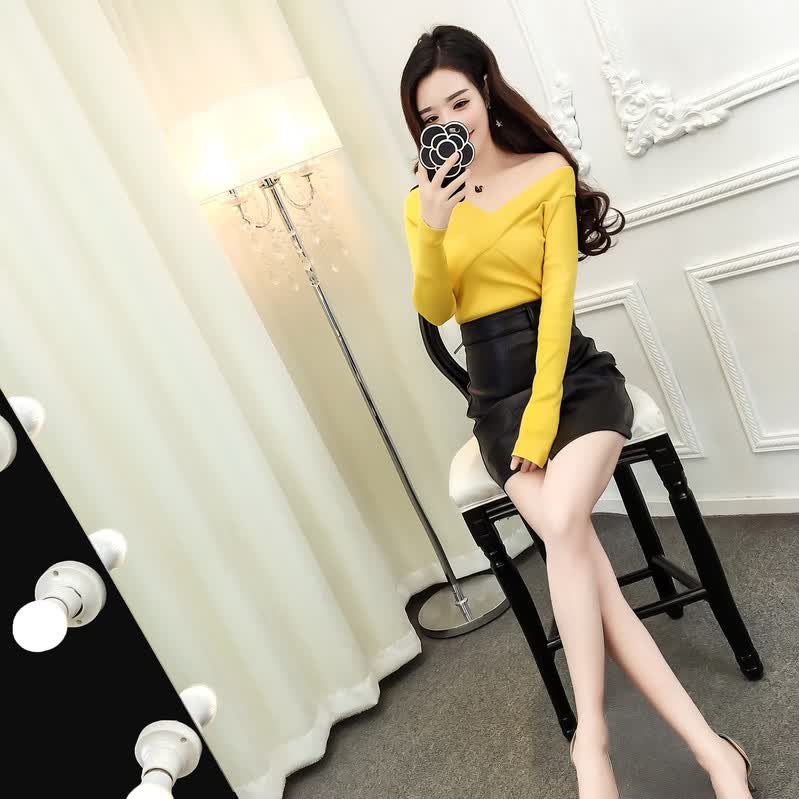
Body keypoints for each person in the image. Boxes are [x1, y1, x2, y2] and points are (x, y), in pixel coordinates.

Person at [400, 24, 755, 799]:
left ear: (485, 89)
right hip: (493, 402)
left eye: (458, 101)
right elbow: (434, 307)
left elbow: (557, 304)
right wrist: (431, 222)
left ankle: (590, 744)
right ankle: (714, 754)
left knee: (562, 523)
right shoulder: (423, 204)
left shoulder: (545, 173)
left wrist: (540, 426)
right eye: (430, 117)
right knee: (580, 553)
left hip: (570, 380)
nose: (449, 123)